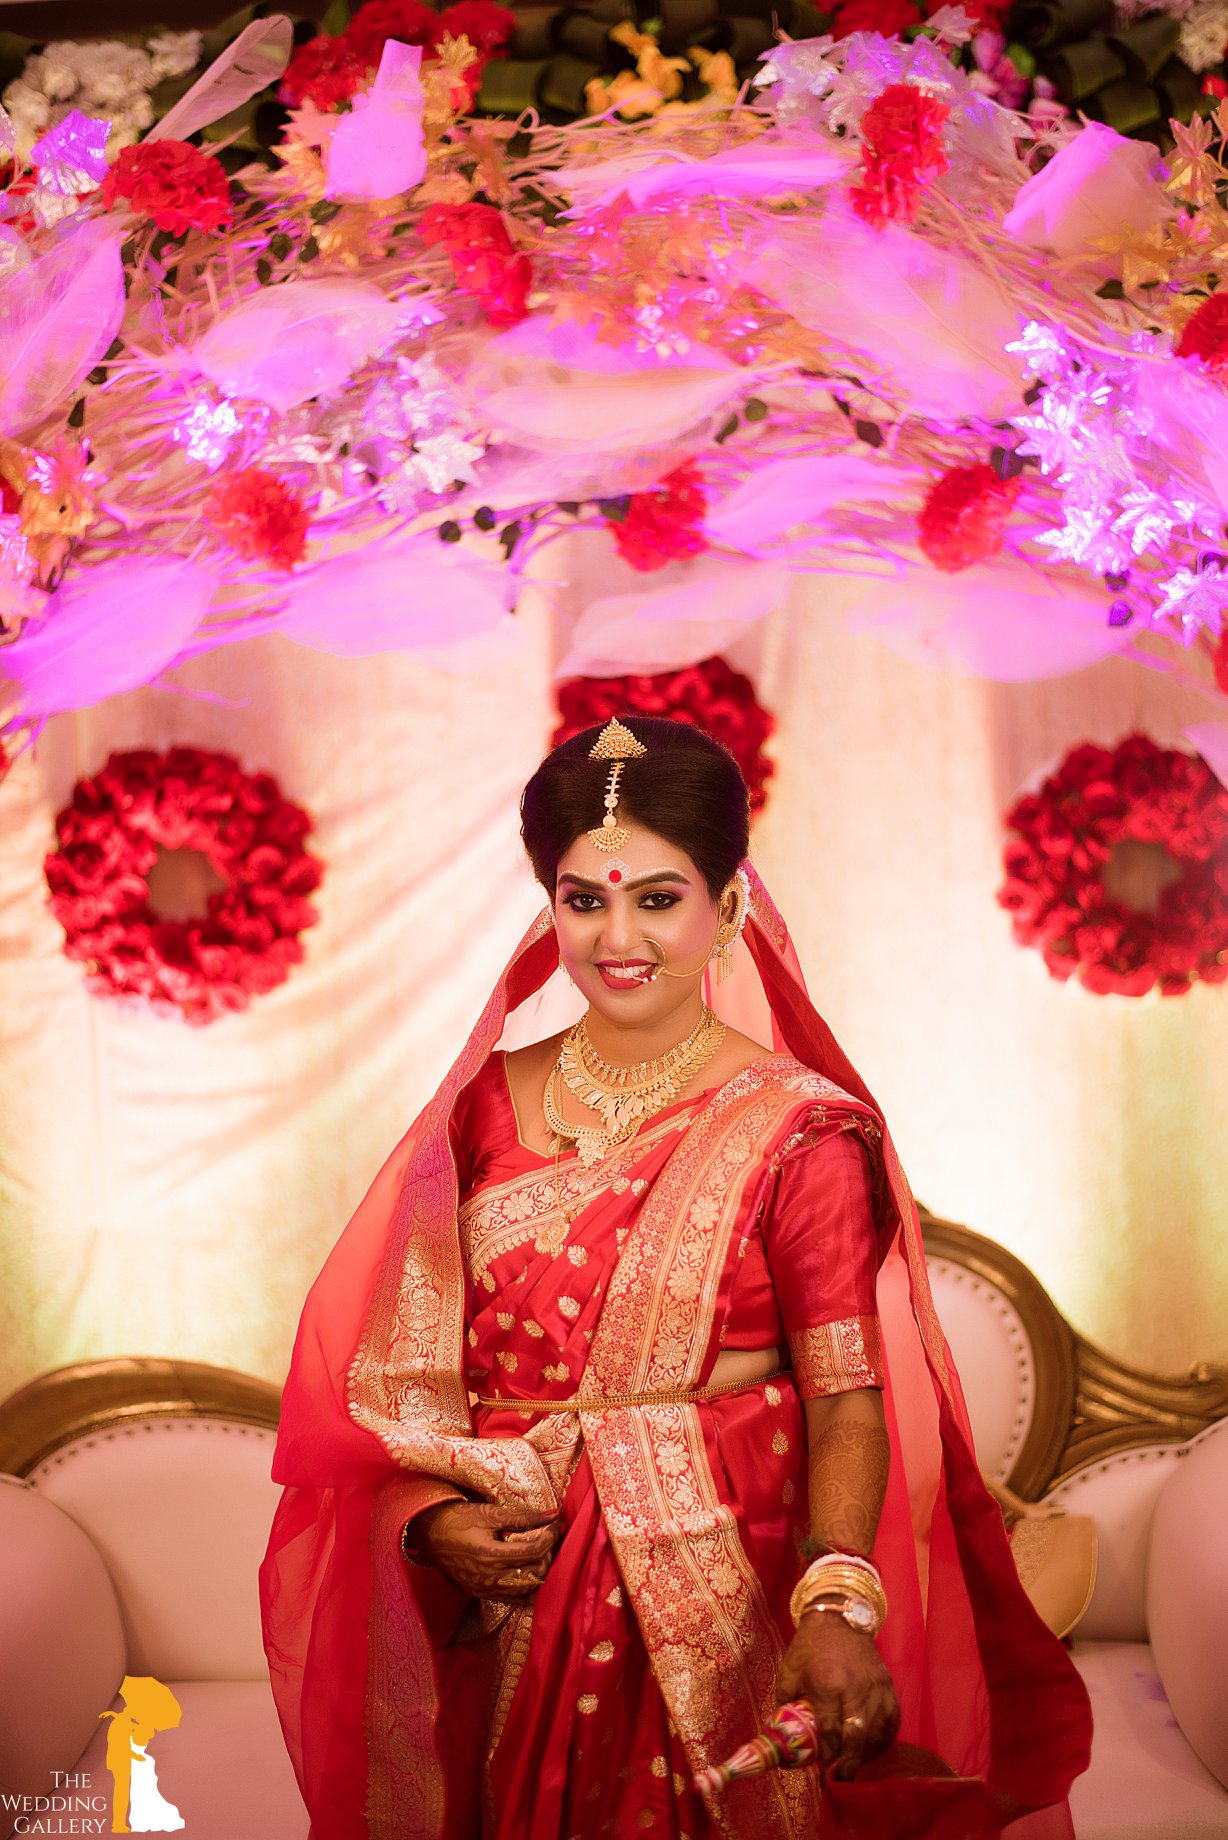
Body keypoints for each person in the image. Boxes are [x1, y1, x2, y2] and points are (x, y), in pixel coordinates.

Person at [259, 716, 1092, 1840]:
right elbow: (399, 1386)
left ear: (728, 908)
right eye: (582, 899)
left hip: (721, 1576)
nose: (618, 936)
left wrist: (839, 1597)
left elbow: (846, 1395)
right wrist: (422, 1518)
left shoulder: (798, 1129)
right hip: (509, 1589)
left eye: (658, 897)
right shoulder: (480, 1109)